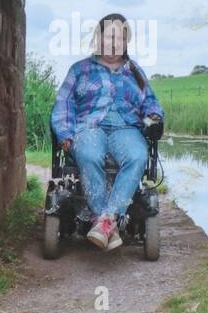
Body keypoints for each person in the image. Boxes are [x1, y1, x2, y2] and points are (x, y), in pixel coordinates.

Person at [50, 14, 164, 251]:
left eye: (119, 38)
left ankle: (105, 222)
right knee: (89, 155)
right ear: (98, 38)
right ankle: (107, 223)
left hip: (127, 128)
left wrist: (154, 116)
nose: (113, 43)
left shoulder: (135, 71)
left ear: (125, 42)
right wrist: (65, 135)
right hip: (89, 127)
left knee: (137, 156)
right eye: (108, 36)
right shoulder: (80, 70)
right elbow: (64, 104)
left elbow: (150, 102)